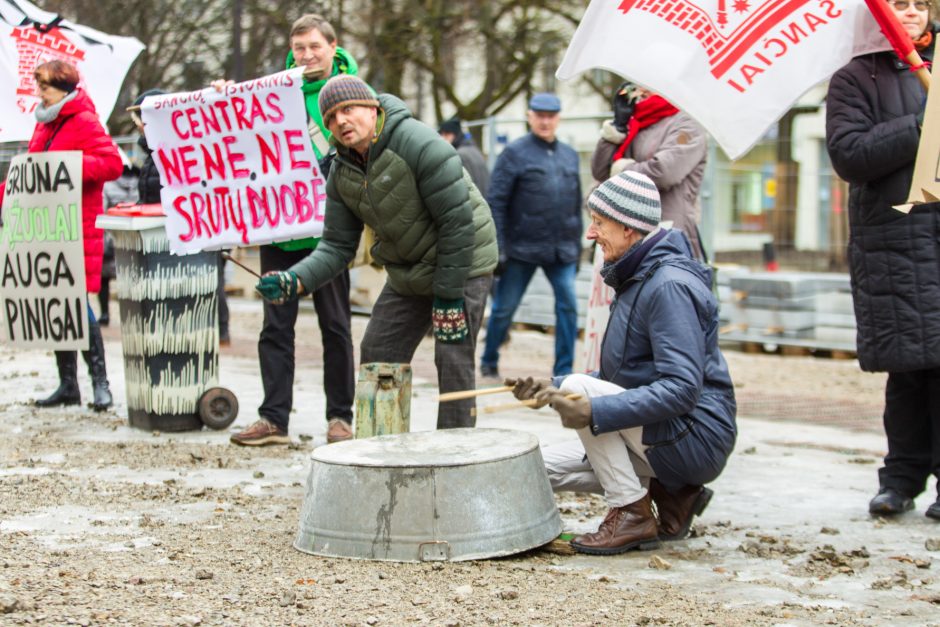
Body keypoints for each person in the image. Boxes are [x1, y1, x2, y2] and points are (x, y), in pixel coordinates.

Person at [507, 171, 736, 555]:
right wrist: (550, 386)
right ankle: (671, 493)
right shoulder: (639, 277)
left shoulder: (668, 286)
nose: (590, 234)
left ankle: (631, 511)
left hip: (695, 437)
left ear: (629, 228)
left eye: (599, 223)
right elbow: (624, 376)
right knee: (534, 467)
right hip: (667, 436)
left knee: (579, 391)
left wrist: (591, 406)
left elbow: (681, 389)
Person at [255, 75, 498, 429]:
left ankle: (454, 455)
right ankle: (382, 446)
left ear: (372, 108)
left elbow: (457, 224)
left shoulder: (418, 143)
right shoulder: (342, 171)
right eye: (332, 118)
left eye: (348, 109)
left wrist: (447, 298)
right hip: (408, 267)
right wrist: (295, 280)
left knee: (452, 357)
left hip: (463, 260)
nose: (341, 121)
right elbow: (337, 246)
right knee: (378, 351)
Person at [825, 0, 940, 521]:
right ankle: (900, 479)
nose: (911, 12)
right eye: (900, 3)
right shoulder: (856, 77)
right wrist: (924, 123)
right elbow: (850, 154)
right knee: (910, 366)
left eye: (920, 3)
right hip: (895, 241)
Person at [1, 60, 123, 410]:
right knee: (56, 304)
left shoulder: (83, 121)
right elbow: (33, 175)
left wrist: (69, 168)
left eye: (45, 87)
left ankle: (100, 383)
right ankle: (68, 384)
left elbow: (111, 163)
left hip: (75, 227)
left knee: (77, 305)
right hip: (47, 228)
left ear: (64, 89)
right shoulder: (44, 125)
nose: (39, 93)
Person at [480, 93, 582, 379]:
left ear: (558, 118)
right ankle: (489, 360)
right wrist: (498, 247)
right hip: (520, 249)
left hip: (561, 251)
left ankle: (563, 372)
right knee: (504, 309)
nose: (545, 121)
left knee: (569, 307)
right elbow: (496, 202)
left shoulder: (570, 155)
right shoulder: (513, 153)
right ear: (530, 117)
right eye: (540, 115)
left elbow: (576, 203)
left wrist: (577, 246)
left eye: (551, 116)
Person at [130, 89, 230, 345]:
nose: (138, 126)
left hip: (187, 243)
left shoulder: (183, 148)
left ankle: (215, 334)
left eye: (141, 118)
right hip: (162, 242)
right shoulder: (152, 153)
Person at [590, 82, 707, 259]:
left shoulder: (687, 124)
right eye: (638, 85)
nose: (641, 90)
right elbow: (600, 171)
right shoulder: (635, 123)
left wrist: (621, 169)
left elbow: (664, 173)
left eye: (650, 85)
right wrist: (617, 128)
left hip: (667, 232)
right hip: (626, 233)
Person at [100, 158, 140, 326]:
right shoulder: (139, 182)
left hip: (111, 238)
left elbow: (102, 209)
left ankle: (104, 313)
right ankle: (131, 316)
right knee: (131, 278)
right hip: (133, 238)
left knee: (104, 280)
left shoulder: (108, 185)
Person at [438, 116, 489, 196]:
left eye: (447, 134)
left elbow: (464, 188)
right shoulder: (473, 149)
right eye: (441, 134)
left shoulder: (460, 155)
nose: (443, 138)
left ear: (456, 134)